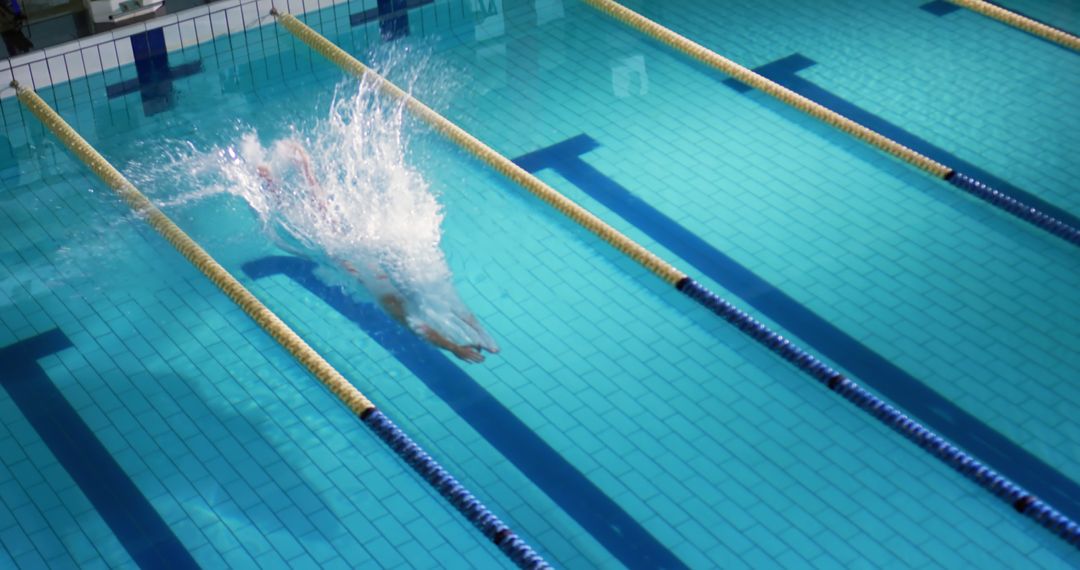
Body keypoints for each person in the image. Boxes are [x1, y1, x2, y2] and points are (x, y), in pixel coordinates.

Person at [255, 142, 497, 363]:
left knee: (321, 213)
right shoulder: (393, 301)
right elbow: (419, 327)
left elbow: (448, 308)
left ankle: (295, 170)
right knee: (303, 218)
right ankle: (273, 176)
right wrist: (454, 347)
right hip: (342, 254)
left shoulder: (406, 289)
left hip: (354, 251)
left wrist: (481, 335)